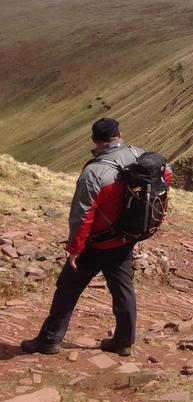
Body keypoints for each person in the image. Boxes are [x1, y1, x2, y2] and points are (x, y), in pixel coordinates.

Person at [21, 118, 153, 357]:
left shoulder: (94, 172)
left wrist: (75, 248)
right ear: (119, 135)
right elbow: (164, 179)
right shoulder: (139, 156)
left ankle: (49, 341)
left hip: (96, 244)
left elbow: (82, 216)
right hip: (125, 239)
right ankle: (123, 342)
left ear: (94, 140)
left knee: (67, 288)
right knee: (123, 290)